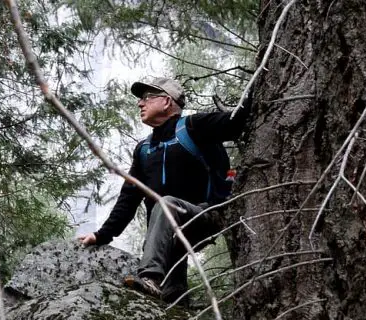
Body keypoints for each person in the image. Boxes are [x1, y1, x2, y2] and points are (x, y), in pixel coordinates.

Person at [78, 77, 251, 304]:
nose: (140, 103)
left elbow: (235, 122)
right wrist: (103, 235)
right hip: (166, 236)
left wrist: (259, 81)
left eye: (147, 98)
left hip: (206, 216)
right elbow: (129, 198)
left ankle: (150, 277)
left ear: (167, 101)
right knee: (172, 297)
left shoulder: (193, 127)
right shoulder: (144, 149)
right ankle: (176, 306)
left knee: (166, 204)